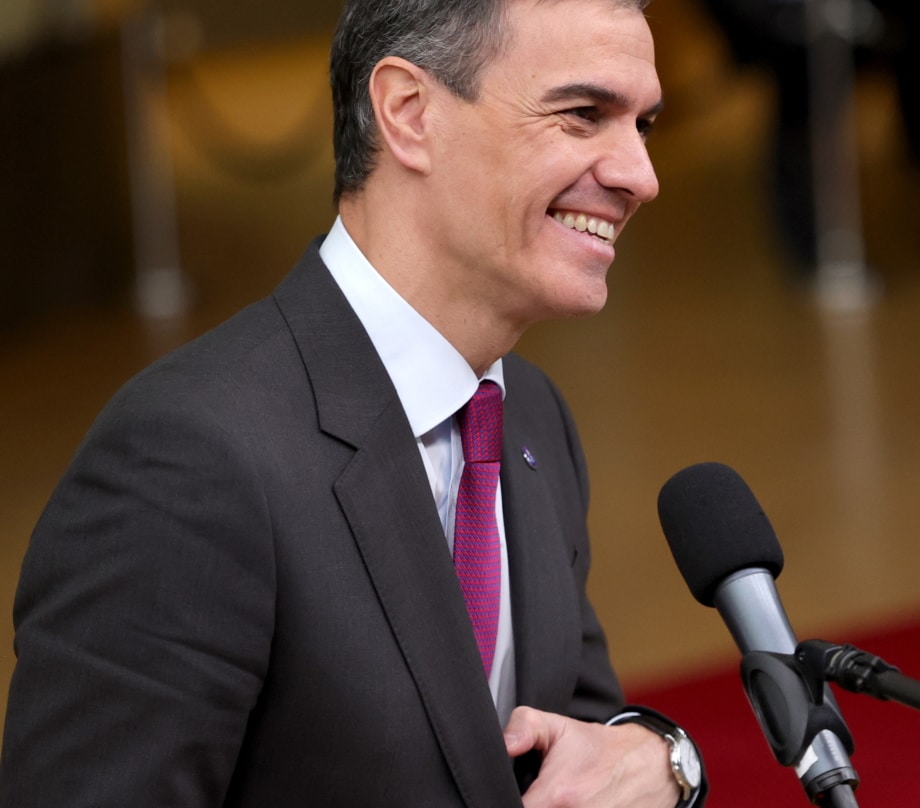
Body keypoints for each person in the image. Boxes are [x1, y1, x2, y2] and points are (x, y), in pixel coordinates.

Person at [0, 0, 706, 806]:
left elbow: (570, 744)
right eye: (583, 115)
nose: (641, 176)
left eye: (642, 125)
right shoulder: (186, 459)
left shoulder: (530, 415)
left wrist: (664, 757)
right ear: (409, 115)